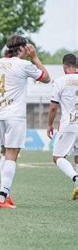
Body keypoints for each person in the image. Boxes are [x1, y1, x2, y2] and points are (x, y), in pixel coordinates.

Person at [0, 35, 50, 209]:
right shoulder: (25, 64)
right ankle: (2, 198)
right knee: (12, 154)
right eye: (26, 49)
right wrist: (34, 57)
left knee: (6, 153)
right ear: (21, 49)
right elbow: (47, 78)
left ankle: (6, 193)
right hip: (15, 116)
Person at [46, 53, 78, 200]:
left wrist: (49, 124)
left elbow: (53, 107)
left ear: (64, 67)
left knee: (57, 157)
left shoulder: (60, 81)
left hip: (69, 124)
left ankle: (76, 179)